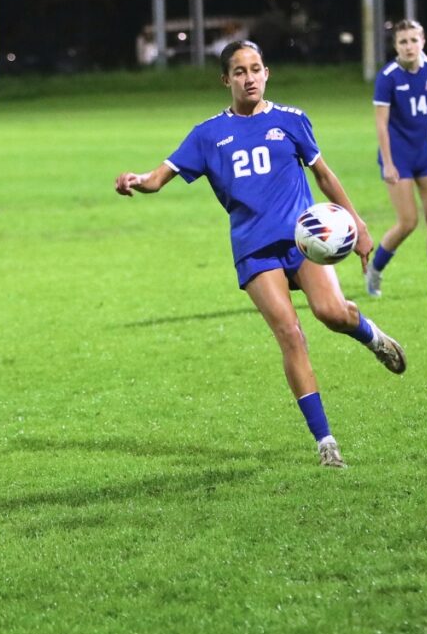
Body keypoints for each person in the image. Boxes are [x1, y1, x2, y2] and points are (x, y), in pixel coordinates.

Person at [114, 40, 407, 468]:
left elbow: (323, 175)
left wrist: (358, 225)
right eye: (239, 71)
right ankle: (326, 442)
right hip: (254, 249)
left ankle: (372, 336)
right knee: (290, 334)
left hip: (303, 240)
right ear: (226, 79)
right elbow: (158, 178)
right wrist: (135, 179)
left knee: (331, 313)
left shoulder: (291, 120)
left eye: (255, 69)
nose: (248, 78)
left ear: (266, 73)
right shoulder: (207, 134)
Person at [366, 19, 427, 298]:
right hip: (399, 157)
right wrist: (389, 163)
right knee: (408, 222)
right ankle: (375, 270)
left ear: (423, 41)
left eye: (413, 40)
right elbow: (381, 124)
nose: (409, 46)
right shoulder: (388, 77)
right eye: (403, 42)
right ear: (395, 46)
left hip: (426, 154)